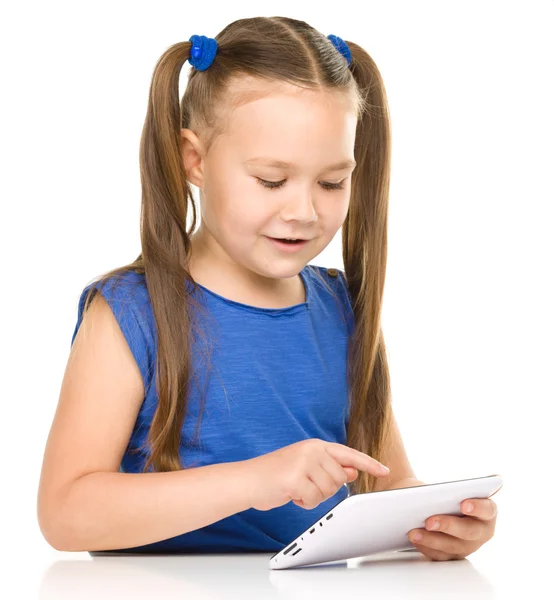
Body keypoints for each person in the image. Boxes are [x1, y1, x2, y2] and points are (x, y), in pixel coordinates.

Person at [37, 16, 497, 561]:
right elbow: (64, 514)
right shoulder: (129, 313)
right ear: (195, 160)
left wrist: (436, 523)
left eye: (331, 182)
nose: (304, 212)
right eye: (272, 180)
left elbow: (385, 485)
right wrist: (256, 481)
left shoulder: (340, 312)